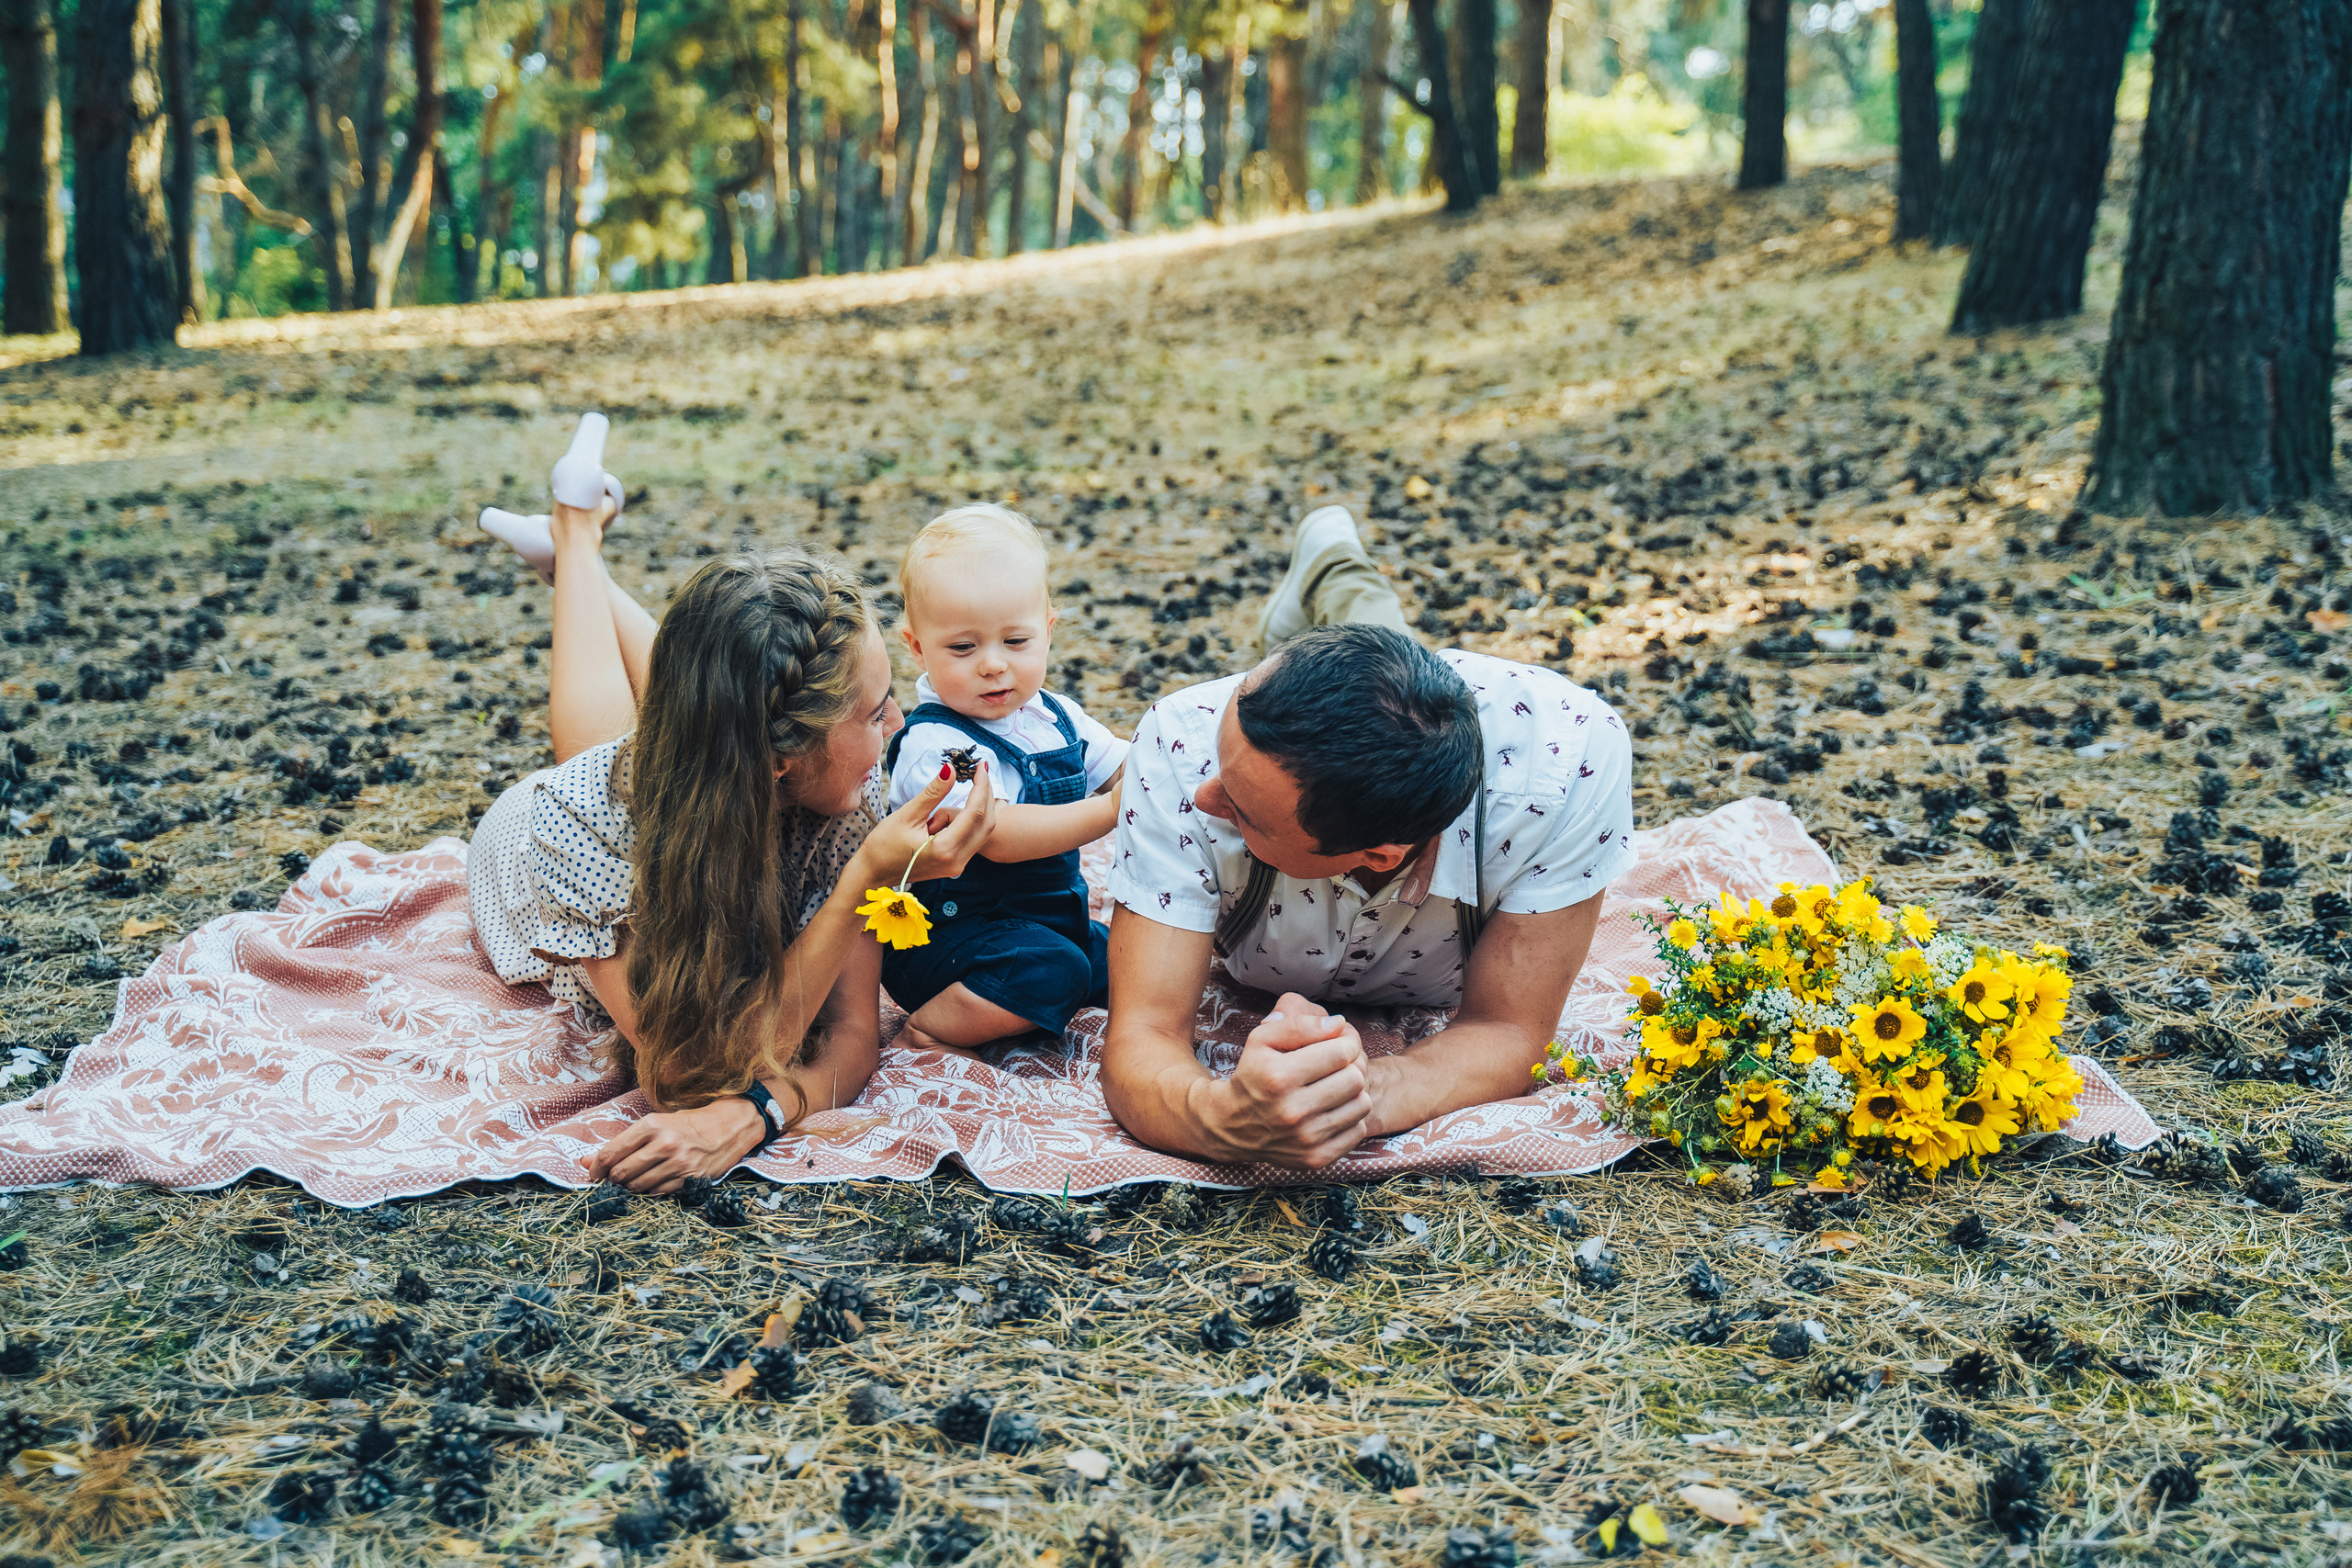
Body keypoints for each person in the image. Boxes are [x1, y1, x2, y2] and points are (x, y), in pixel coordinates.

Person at [469, 415, 1001, 1192]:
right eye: (877, 709)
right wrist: (860, 883)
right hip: (522, 840)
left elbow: (853, 1036)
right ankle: (577, 538)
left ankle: (576, 547)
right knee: (596, 753)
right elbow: (684, 1073)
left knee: (707, 696)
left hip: (713, 766)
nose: (901, 727)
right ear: (784, 761)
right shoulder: (576, 828)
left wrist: (760, 1112)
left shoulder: (848, 786)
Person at [1102, 506, 1634, 1168]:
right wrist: (1221, 1119)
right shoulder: (1179, 744)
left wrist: (1353, 1098)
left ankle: (1337, 566)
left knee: (1403, 724)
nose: (1203, 799)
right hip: (1366, 722)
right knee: (1381, 666)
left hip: (1417, 782)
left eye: (1244, 813)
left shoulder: (1566, 767)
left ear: (1380, 855)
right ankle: (1334, 572)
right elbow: (1141, 1038)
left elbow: (1508, 1029)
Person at [880, 505, 1127, 1052]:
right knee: (1054, 970)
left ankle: (1049, 989)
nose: (993, 665)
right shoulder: (939, 745)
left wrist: (1165, 767)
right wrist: (1113, 811)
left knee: (1132, 956)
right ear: (918, 647)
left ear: (1048, 630)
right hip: (953, 938)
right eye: (963, 648)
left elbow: (1118, 765)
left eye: (1015, 642)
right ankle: (928, 1028)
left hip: (1049, 922)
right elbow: (998, 836)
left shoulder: (1053, 715)